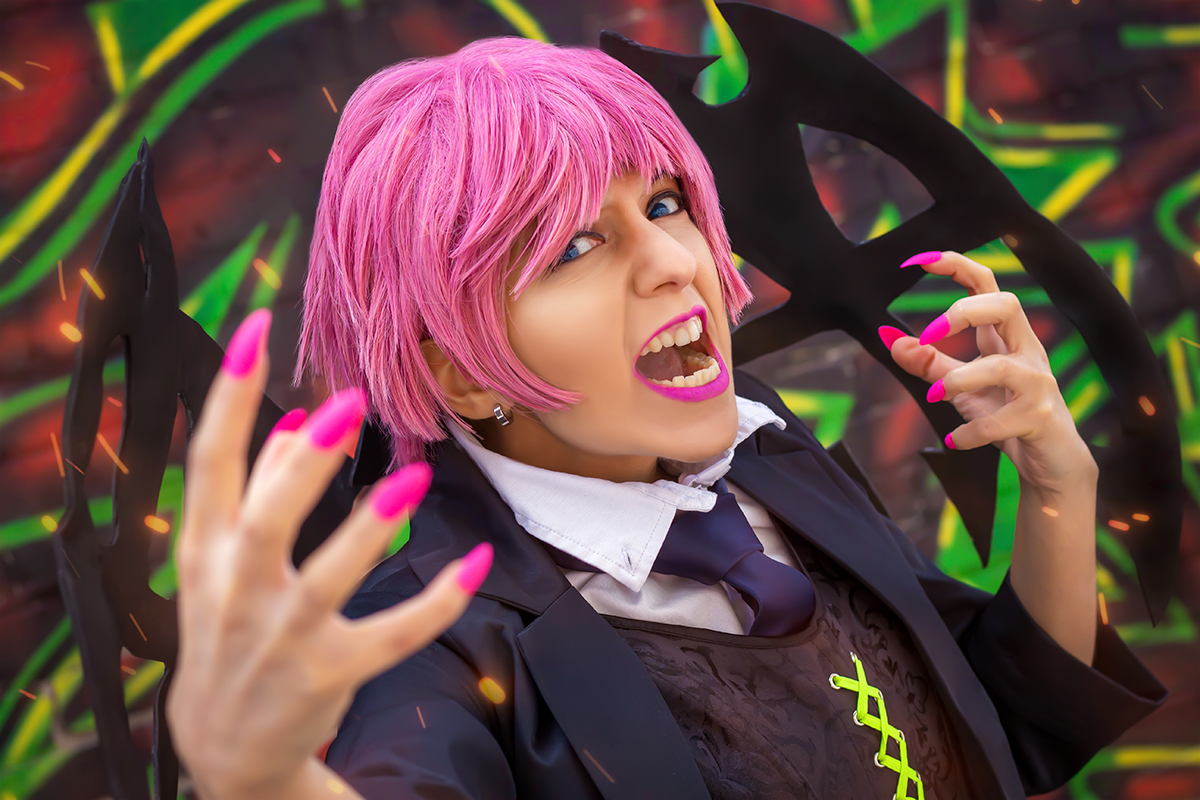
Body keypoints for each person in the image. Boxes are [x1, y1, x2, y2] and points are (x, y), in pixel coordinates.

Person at [168, 35, 1166, 800]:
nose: (673, 262)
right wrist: (266, 782)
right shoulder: (424, 640)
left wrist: (1058, 487)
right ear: (460, 373)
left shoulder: (763, 445)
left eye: (663, 204)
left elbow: (998, 723)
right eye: (570, 248)